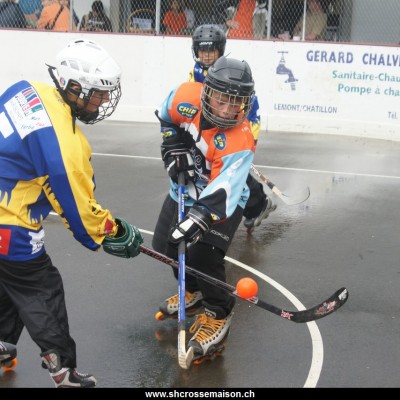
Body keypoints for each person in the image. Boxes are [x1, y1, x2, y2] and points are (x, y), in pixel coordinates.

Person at [0, 39, 143, 388]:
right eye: (99, 93)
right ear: (74, 87)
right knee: (41, 288)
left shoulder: (26, 90)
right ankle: (61, 367)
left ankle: (2, 342)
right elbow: (79, 211)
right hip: (9, 224)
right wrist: (113, 231)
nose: (104, 101)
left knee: (8, 279)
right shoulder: (64, 144)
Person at [153, 56, 258, 361]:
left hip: (222, 203)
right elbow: (166, 116)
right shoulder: (185, 97)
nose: (226, 110)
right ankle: (195, 289)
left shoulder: (240, 139)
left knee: (201, 255)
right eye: (221, 100)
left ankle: (218, 311)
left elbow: (223, 191)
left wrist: (197, 220)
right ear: (207, 92)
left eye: (235, 103)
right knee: (164, 246)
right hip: (183, 190)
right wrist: (172, 146)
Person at [189, 24, 276, 231]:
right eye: (202, 49)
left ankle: (258, 205)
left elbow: (250, 109)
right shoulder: (195, 72)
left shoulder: (231, 73)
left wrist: (248, 142)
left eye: (211, 50)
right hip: (211, 129)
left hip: (233, 128)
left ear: (220, 50)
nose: (206, 55)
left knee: (234, 173)